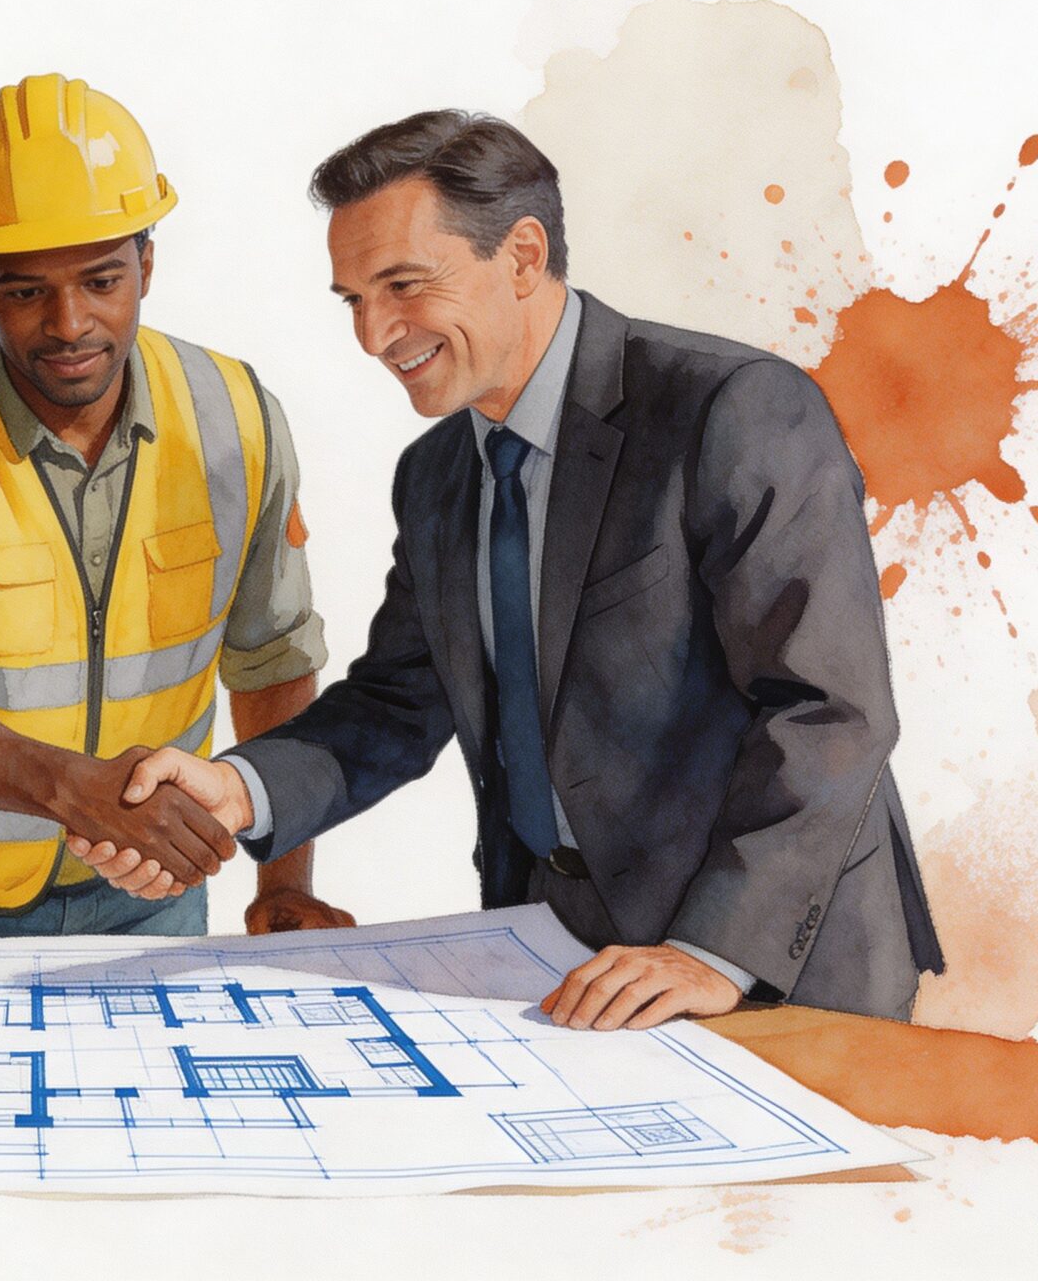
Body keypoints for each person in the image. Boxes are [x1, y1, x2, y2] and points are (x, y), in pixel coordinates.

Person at [96, 110, 944, 1024]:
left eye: (404, 286)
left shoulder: (733, 411)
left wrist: (713, 953)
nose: (375, 334)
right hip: (561, 961)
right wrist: (238, 787)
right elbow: (396, 704)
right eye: (353, 299)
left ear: (525, 256)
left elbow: (832, 710)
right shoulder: (437, 475)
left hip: (776, 969)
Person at [0, 73, 343, 940]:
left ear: (147, 265)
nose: (68, 323)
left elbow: (272, 655)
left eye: (100, 280)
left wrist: (280, 883)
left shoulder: (234, 417)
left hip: (158, 892)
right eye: (24, 290)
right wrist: (75, 791)